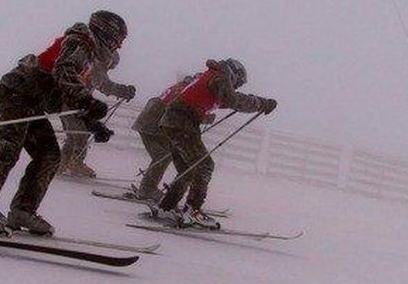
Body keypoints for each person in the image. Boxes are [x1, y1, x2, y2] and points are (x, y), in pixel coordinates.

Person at [0, 10, 128, 235]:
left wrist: (92, 123)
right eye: (119, 41)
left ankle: (23, 211)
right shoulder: (81, 41)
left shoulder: (89, 55)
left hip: (33, 101)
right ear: (108, 34)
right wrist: (87, 101)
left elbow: (67, 92)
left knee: (49, 155)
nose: (119, 47)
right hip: (17, 92)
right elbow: (63, 71)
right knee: (8, 147)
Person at [154, 58, 276, 227]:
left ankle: (166, 207)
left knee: (187, 169)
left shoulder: (213, 76)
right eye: (238, 83)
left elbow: (227, 100)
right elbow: (233, 100)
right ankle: (192, 211)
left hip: (171, 121)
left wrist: (257, 103)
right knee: (204, 166)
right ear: (234, 75)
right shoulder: (221, 77)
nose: (236, 87)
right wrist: (261, 103)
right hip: (182, 122)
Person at [56, 50, 136, 179]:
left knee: (73, 134)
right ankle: (76, 163)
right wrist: (124, 91)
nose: (110, 68)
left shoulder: (90, 65)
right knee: (82, 132)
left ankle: (62, 162)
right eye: (111, 65)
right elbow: (105, 86)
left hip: (68, 102)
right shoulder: (97, 68)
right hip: (73, 104)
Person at [127, 73, 196, 201]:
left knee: (164, 155)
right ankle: (147, 189)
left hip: (151, 122)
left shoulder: (181, 87)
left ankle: (148, 187)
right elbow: (180, 111)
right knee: (163, 155)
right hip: (153, 124)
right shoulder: (184, 91)